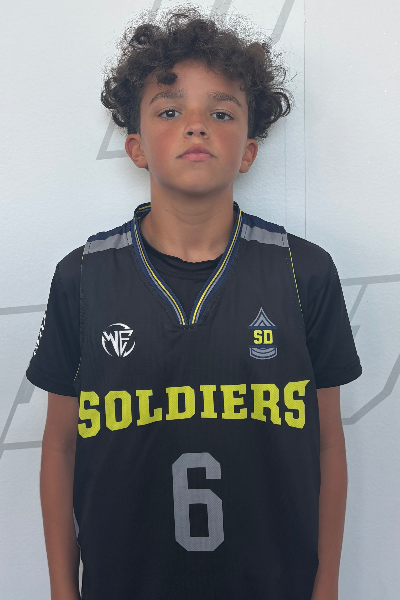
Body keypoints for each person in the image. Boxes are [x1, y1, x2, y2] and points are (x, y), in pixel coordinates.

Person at [26, 7, 362, 600]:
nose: (197, 126)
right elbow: (60, 445)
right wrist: (61, 588)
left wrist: (326, 584)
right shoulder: (82, 276)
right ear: (136, 147)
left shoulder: (303, 271)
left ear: (248, 151)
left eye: (221, 112)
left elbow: (328, 443)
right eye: (170, 110)